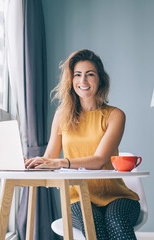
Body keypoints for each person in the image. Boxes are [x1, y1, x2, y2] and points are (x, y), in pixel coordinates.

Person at [25, 49, 140, 240]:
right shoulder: (62, 116)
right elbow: (50, 159)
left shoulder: (115, 115)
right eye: (77, 75)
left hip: (117, 196)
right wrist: (31, 162)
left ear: (100, 80)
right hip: (78, 197)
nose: (83, 81)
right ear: (71, 81)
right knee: (92, 224)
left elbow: (99, 160)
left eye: (90, 75)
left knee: (116, 222)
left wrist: (61, 163)